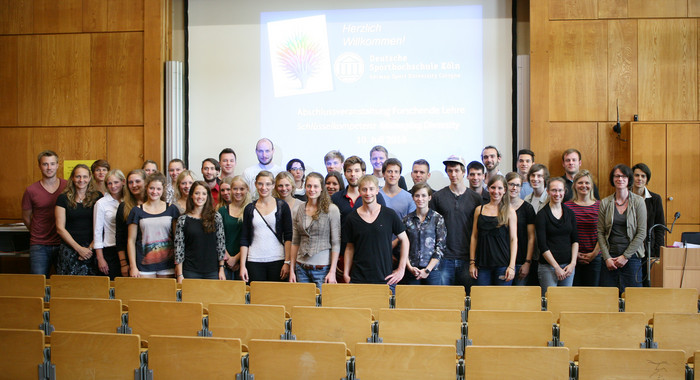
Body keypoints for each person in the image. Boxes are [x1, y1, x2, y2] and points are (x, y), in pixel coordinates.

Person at [343, 175, 410, 289]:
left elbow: (405, 240)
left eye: (371, 189)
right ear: (359, 191)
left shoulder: (389, 214)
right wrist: (345, 273)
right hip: (358, 279)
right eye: (364, 189)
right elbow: (349, 247)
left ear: (377, 190)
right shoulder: (351, 218)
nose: (368, 193)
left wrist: (401, 269)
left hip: (385, 279)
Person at [429, 155, 482, 290]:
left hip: (467, 258)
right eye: (450, 171)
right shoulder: (437, 197)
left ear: (464, 173)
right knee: (444, 300)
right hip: (444, 258)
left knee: (468, 299)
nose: (453, 174)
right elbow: (431, 227)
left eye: (457, 170)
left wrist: (474, 260)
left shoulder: (476, 198)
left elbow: (479, 230)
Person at [598, 164, 647, 293]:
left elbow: (642, 233)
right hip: (610, 258)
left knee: (633, 299)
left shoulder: (638, 202)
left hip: (632, 258)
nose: (620, 179)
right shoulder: (605, 202)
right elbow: (600, 232)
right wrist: (607, 257)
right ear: (612, 179)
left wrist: (625, 257)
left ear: (629, 179)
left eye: (624, 176)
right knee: (607, 300)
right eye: (617, 176)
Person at [289, 172, 341, 290]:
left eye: (315, 186)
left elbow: (336, 242)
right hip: (300, 267)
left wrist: (332, 271)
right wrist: (292, 269)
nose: (312, 189)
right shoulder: (298, 209)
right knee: (303, 305)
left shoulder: (331, 210)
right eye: (309, 186)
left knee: (321, 306)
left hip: (322, 269)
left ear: (321, 188)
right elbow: (295, 241)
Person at [239, 171, 293, 283]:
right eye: (260, 184)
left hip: (277, 259)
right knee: (257, 297)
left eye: (268, 184)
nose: (264, 187)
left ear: (273, 185)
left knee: (277, 298)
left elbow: (288, 236)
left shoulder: (282, 206)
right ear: (255, 184)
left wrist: (287, 262)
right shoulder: (249, 208)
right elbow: (244, 239)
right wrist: (242, 266)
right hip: (254, 260)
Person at [22, 150, 68, 276]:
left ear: (58, 165)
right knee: (38, 283)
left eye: (52, 164)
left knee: (65, 284)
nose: (49, 168)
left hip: (64, 243)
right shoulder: (31, 190)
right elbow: (26, 217)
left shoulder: (67, 186)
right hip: (39, 245)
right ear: (39, 166)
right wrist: (37, 232)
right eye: (45, 164)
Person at [127, 172, 181, 278]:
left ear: (163, 190)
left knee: (166, 294)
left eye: (158, 189)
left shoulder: (172, 209)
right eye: (151, 188)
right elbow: (131, 240)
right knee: (146, 294)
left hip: (167, 265)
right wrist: (133, 266)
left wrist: (178, 266)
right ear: (146, 188)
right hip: (143, 266)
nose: (154, 192)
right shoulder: (136, 211)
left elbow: (177, 239)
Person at [469, 175, 518, 286]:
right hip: (482, 265)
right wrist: (472, 263)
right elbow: (474, 237)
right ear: (488, 188)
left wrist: (511, 266)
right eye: (493, 187)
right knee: (482, 301)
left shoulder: (510, 211)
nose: (496, 191)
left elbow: (513, 239)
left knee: (501, 302)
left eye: (500, 188)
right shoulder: (479, 210)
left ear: (505, 190)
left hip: (502, 265)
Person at [55, 164, 102, 275]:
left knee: (92, 288)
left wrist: (89, 249)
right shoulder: (63, 198)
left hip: (92, 249)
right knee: (68, 288)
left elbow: (101, 226)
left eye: (85, 177)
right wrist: (79, 249)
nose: (81, 180)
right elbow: (60, 228)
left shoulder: (98, 197)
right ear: (72, 178)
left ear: (90, 178)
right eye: (78, 176)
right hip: (69, 249)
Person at [174, 181, 226, 282]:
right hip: (190, 271)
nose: (200, 197)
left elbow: (220, 244)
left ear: (208, 196)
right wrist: (180, 274)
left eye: (204, 193)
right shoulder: (183, 220)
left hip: (212, 271)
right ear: (191, 196)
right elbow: (179, 248)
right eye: (197, 193)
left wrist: (221, 268)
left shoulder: (216, 217)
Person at [536, 177, 579, 296]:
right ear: (548, 192)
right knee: (550, 302)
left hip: (568, 266)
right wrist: (556, 267)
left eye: (560, 190)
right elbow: (542, 245)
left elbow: (575, 240)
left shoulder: (570, 213)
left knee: (565, 302)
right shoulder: (542, 215)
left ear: (564, 192)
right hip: (548, 267)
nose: (557, 194)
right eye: (554, 190)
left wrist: (573, 264)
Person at [564, 170, 601, 287]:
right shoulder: (567, 206)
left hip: (595, 257)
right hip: (572, 258)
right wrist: (575, 254)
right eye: (580, 183)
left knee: (593, 295)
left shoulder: (600, 205)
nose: (584, 186)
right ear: (574, 185)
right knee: (574, 296)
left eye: (587, 183)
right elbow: (565, 234)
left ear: (591, 186)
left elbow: (604, 233)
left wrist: (594, 254)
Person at [402, 183, 445, 285]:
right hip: (412, 270)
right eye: (417, 195)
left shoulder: (437, 218)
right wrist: (409, 267)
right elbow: (402, 246)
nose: (420, 199)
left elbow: (440, 247)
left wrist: (427, 270)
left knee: (432, 300)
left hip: (432, 271)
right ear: (413, 197)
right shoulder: (406, 220)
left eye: (423, 195)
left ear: (429, 197)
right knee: (411, 300)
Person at [631, 163, 665, 287]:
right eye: (636, 175)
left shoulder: (655, 199)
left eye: (643, 176)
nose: (640, 178)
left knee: (647, 283)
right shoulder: (625, 197)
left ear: (647, 179)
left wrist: (658, 252)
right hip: (629, 247)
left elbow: (660, 227)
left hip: (648, 248)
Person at [93, 169, 125, 279]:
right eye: (109, 183)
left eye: (116, 182)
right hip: (110, 249)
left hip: (127, 248)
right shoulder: (101, 203)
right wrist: (100, 258)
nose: (113, 186)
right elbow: (97, 232)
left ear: (123, 182)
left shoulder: (129, 201)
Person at [505, 172, 536, 286]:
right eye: (511, 184)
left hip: (521, 262)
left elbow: (531, 238)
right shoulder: (499, 208)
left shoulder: (528, 208)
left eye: (517, 185)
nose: (514, 188)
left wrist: (527, 262)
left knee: (519, 299)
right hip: (502, 261)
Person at [115, 169, 146, 277]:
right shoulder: (123, 206)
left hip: (151, 257)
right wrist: (124, 264)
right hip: (131, 259)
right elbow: (120, 237)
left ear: (145, 182)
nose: (134, 185)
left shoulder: (155, 203)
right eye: (130, 182)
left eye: (137, 181)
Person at [219, 176, 251, 280]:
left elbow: (252, 238)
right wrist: (228, 258)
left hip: (245, 262)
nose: (238, 192)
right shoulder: (222, 211)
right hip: (224, 261)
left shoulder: (251, 210)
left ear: (247, 190)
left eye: (241, 189)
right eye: (235, 189)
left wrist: (236, 259)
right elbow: (218, 237)